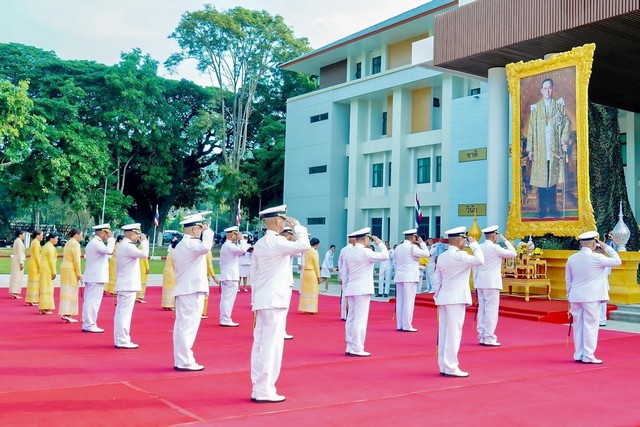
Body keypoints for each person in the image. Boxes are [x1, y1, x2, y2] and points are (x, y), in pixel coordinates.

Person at [250, 205, 310, 403]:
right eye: (283, 220)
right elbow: (304, 245)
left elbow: (255, 274)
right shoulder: (276, 242)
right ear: (277, 221)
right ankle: (265, 389)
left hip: (263, 300)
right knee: (272, 346)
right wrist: (299, 228)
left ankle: (259, 386)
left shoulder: (260, 243)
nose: (285, 224)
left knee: (260, 345)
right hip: (275, 301)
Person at [434, 226, 484, 377]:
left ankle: (443, 365)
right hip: (456, 299)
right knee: (453, 333)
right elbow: (480, 260)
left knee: (444, 332)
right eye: (464, 239)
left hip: (444, 297)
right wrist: (474, 245)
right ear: (460, 240)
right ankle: (451, 366)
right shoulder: (460, 256)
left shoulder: (442, 256)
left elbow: (437, 278)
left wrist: (437, 294)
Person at [565, 231, 621, 364]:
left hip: (576, 296)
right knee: (590, 326)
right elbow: (617, 261)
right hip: (591, 297)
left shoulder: (572, 258)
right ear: (594, 243)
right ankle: (588, 355)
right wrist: (606, 247)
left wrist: (569, 296)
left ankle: (578, 354)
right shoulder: (597, 258)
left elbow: (568, 280)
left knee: (578, 326)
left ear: (580, 243)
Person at [172, 213, 214, 371]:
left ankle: (180, 359)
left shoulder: (183, 244)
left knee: (182, 326)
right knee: (188, 326)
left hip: (186, 289)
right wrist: (208, 232)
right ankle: (185, 361)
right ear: (195, 229)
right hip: (192, 289)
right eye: (200, 228)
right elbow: (205, 247)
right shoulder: (190, 243)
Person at [525, 78, 571, 218]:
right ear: (541, 91)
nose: (547, 91)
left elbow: (566, 124)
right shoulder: (536, 108)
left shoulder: (559, 106)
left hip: (554, 150)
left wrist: (563, 140)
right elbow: (531, 130)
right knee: (541, 181)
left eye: (549, 88)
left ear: (553, 89)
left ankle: (553, 209)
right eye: (544, 88)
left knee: (552, 180)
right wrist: (531, 150)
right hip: (540, 150)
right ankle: (542, 209)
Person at [342, 227, 389, 357]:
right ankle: (357, 347)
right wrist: (380, 243)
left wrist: (345, 287)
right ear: (365, 239)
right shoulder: (365, 252)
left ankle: (350, 345)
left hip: (351, 287)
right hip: (362, 289)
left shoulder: (348, 252)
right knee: (360, 319)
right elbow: (385, 256)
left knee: (351, 317)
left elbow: (345, 272)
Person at [473, 225, 516, 346]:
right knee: (491, 310)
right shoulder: (495, 248)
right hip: (491, 283)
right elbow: (513, 254)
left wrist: (476, 282)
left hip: (480, 282)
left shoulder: (479, 247)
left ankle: (481, 335)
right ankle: (489, 337)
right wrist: (506, 241)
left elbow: (475, 267)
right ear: (494, 236)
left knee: (482, 309)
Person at [114, 223, 149, 349]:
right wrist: (144, 242)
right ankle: (123, 340)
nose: (138, 236)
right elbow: (144, 254)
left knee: (121, 314)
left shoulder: (124, 245)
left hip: (125, 284)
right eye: (137, 234)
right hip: (127, 285)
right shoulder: (127, 246)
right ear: (131, 233)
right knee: (124, 314)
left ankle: (120, 339)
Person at [393, 229, 431, 332]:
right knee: (408, 302)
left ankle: (400, 324)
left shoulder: (398, 248)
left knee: (400, 301)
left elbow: (395, 261)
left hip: (400, 276)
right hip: (409, 277)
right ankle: (407, 325)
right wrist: (422, 243)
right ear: (413, 238)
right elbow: (427, 254)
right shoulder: (412, 247)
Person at [82, 224, 115, 333]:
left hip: (93, 276)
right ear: (102, 233)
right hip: (95, 277)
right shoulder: (97, 243)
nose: (108, 235)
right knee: (93, 302)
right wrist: (111, 239)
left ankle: (87, 323)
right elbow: (109, 251)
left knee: (89, 301)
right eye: (107, 233)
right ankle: (90, 324)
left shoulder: (93, 243)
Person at [219, 226, 249, 327]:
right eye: (236, 235)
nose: (237, 237)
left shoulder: (227, 245)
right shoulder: (229, 246)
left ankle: (224, 318)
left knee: (226, 299)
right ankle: (225, 319)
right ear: (232, 235)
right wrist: (242, 240)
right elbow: (243, 250)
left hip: (227, 275)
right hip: (230, 276)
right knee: (228, 299)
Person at [59, 228, 83, 323]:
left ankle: (65, 313)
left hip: (65, 267)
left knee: (66, 290)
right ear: (76, 235)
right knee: (71, 290)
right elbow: (77, 260)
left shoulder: (69, 242)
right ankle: (67, 313)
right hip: (70, 268)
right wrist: (79, 273)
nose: (81, 237)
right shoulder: (75, 244)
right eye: (80, 234)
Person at [38, 232, 59, 315]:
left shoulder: (47, 246)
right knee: (47, 288)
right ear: (52, 239)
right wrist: (54, 272)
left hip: (45, 269)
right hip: (47, 269)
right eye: (56, 238)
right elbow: (51, 260)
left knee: (45, 287)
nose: (57, 240)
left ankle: (44, 307)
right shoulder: (50, 247)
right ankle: (44, 307)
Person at [298, 238, 321, 313]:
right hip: (312, 272)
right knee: (313, 291)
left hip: (306, 272)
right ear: (316, 244)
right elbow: (316, 265)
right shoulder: (314, 252)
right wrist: (318, 276)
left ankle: (305, 308)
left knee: (306, 290)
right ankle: (311, 309)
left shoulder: (306, 251)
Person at [337, 234, 356, 321]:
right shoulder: (353, 250)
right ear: (353, 240)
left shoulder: (343, 249)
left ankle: (344, 314)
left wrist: (341, 274)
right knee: (352, 294)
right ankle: (350, 313)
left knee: (345, 294)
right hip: (352, 274)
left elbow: (340, 263)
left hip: (344, 274)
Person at [161, 237, 181, 311]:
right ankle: (170, 305)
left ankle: (166, 305)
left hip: (167, 271)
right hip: (171, 272)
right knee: (171, 289)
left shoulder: (171, 252)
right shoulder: (175, 253)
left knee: (166, 288)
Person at [25, 230, 43, 306]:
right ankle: (31, 299)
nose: (42, 236)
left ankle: (32, 299)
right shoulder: (35, 242)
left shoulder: (35, 242)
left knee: (34, 282)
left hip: (34, 262)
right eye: (41, 235)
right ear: (37, 235)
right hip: (34, 263)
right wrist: (40, 265)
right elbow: (36, 255)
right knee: (33, 281)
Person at [9, 229, 26, 299]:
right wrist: (21, 263)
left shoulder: (18, 241)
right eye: (23, 234)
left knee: (17, 277)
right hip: (18, 261)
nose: (24, 236)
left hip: (17, 260)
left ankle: (14, 292)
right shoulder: (18, 241)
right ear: (20, 235)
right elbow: (19, 253)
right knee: (17, 277)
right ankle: (14, 292)